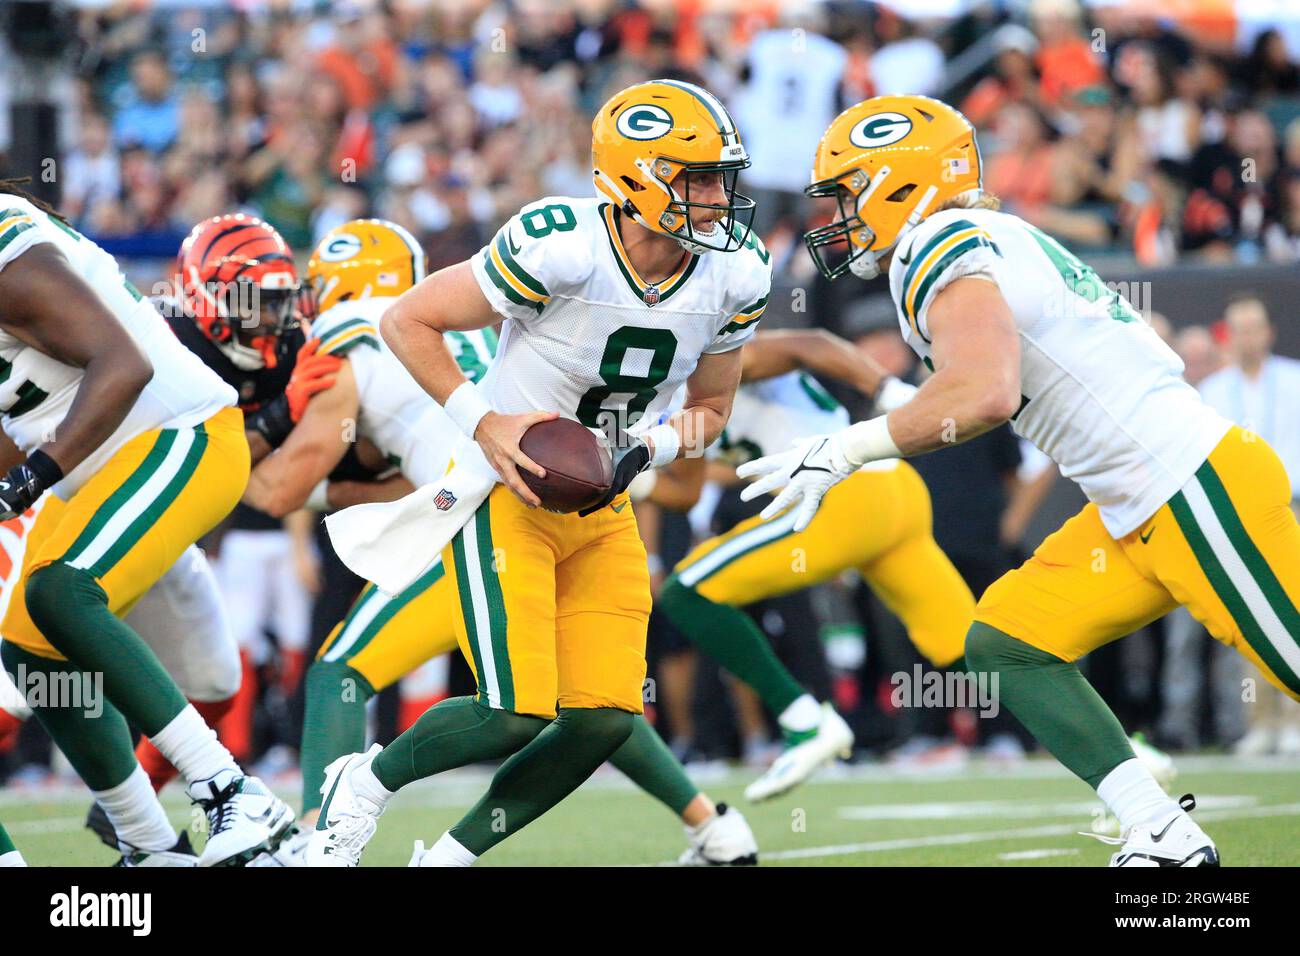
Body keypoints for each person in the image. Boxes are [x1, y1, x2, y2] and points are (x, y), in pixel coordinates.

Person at [738, 95, 1300, 867]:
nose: (837, 216)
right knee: (1009, 642)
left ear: (900, 184)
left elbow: (985, 394)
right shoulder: (980, 235)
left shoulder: (938, 240)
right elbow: (963, 393)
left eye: (847, 193)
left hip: (1192, 485)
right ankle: (1162, 832)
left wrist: (844, 451)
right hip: (1134, 506)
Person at [308, 79, 772, 866]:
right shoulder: (562, 245)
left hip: (603, 502)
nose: (715, 198)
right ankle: (364, 783)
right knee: (514, 712)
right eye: (694, 179)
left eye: (719, 179)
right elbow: (406, 318)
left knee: (603, 719)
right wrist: (484, 424)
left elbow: (713, 409)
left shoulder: (738, 273)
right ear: (633, 180)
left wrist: (646, 450)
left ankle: (449, 857)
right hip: (506, 489)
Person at [0, 184, 294, 867]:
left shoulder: (8, 245)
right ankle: (150, 844)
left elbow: (121, 363)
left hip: (179, 433)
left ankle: (228, 789)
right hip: (103, 470)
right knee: (28, 643)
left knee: (59, 591)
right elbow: (29, 410)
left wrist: (31, 480)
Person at [655, 327, 974, 799]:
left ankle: (805, 722)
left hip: (842, 497)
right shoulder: (668, 396)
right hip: (893, 492)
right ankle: (1110, 745)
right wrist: (620, 479)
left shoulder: (708, 355)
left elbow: (809, 344)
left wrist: (886, 388)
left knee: (688, 592)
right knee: (971, 647)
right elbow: (686, 493)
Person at [1196, 294, 1300, 755]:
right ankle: (1259, 722)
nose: (1248, 337)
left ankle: (1295, 720)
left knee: (1294, 610)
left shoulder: (1295, 381)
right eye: (1239, 329)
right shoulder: (1213, 391)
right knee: (1252, 615)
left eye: (1255, 327)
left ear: (1269, 332)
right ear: (1228, 335)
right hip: (1239, 513)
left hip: (1293, 504)